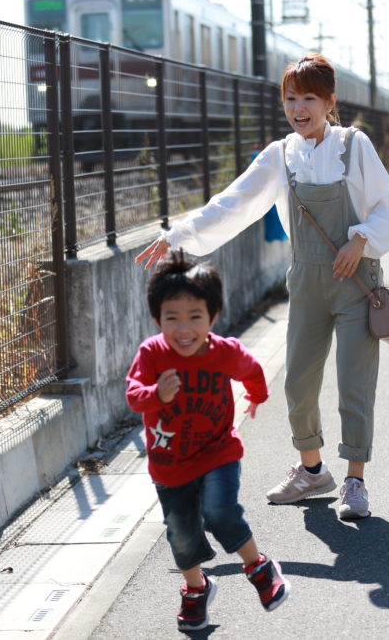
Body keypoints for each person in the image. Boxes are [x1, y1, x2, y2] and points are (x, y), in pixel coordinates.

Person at [136, 52, 389, 522]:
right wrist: (176, 235)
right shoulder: (282, 154)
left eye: (309, 99)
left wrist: (360, 239)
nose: (298, 108)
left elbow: (388, 208)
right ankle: (312, 470)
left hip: (355, 281)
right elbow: (234, 202)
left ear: (329, 102)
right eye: (290, 99)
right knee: (298, 383)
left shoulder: (354, 146)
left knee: (354, 384)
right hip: (305, 282)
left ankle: (355, 481)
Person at [126, 251, 289, 632]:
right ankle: (197, 589)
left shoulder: (224, 352)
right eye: (172, 318)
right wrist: (156, 395)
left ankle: (259, 568)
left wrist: (257, 395)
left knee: (220, 513)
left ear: (212, 317)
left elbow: (251, 369)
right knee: (181, 535)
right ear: (157, 319)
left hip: (218, 451)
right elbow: (134, 395)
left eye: (195, 317)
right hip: (170, 465)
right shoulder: (152, 354)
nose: (184, 328)